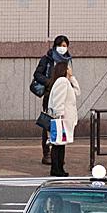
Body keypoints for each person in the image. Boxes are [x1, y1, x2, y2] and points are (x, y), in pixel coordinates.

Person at [33, 35, 74, 167]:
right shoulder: (47, 59)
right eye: (60, 45)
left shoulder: (68, 60)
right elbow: (37, 74)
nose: (63, 48)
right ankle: (47, 153)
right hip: (50, 95)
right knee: (49, 124)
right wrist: (50, 82)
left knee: (61, 125)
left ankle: (58, 155)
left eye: (65, 45)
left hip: (63, 95)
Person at [45, 37, 81, 177]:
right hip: (61, 119)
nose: (70, 70)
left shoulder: (65, 81)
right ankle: (57, 169)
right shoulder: (61, 82)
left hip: (63, 119)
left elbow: (77, 91)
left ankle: (59, 168)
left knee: (60, 144)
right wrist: (59, 118)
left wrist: (72, 78)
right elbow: (58, 102)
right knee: (58, 145)